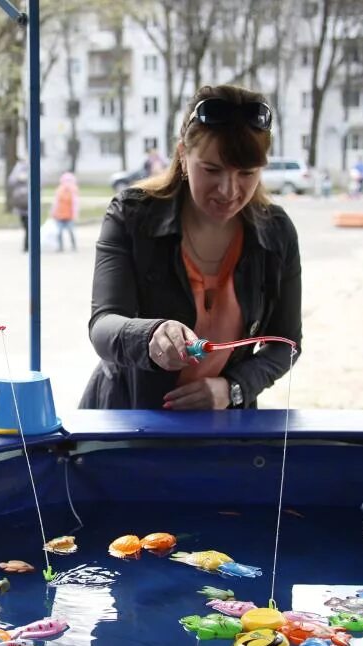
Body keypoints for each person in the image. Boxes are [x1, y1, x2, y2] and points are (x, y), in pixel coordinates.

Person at [80, 84, 302, 411]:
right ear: (183, 155)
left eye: (247, 173)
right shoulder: (131, 215)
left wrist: (233, 388)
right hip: (126, 418)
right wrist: (150, 335)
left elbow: (287, 344)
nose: (229, 190)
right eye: (212, 170)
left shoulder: (277, 232)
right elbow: (102, 326)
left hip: (222, 429)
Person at [50, 171, 80, 252]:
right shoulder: (59, 190)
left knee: (71, 231)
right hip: (59, 215)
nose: (67, 183)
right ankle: (60, 247)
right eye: (66, 181)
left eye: (69, 181)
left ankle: (74, 246)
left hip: (69, 216)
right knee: (59, 232)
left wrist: (75, 214)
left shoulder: (73, 191)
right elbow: (55, 202)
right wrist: (53, 212)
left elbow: (75, 204)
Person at [7, 158, 30, 252]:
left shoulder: (30, 168)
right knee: (26, 226)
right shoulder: (18, 170)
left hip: (27, 203)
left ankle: (27, 245)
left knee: (28, 226)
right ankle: (27, 245)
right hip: (22, 204)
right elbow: (11, 181)